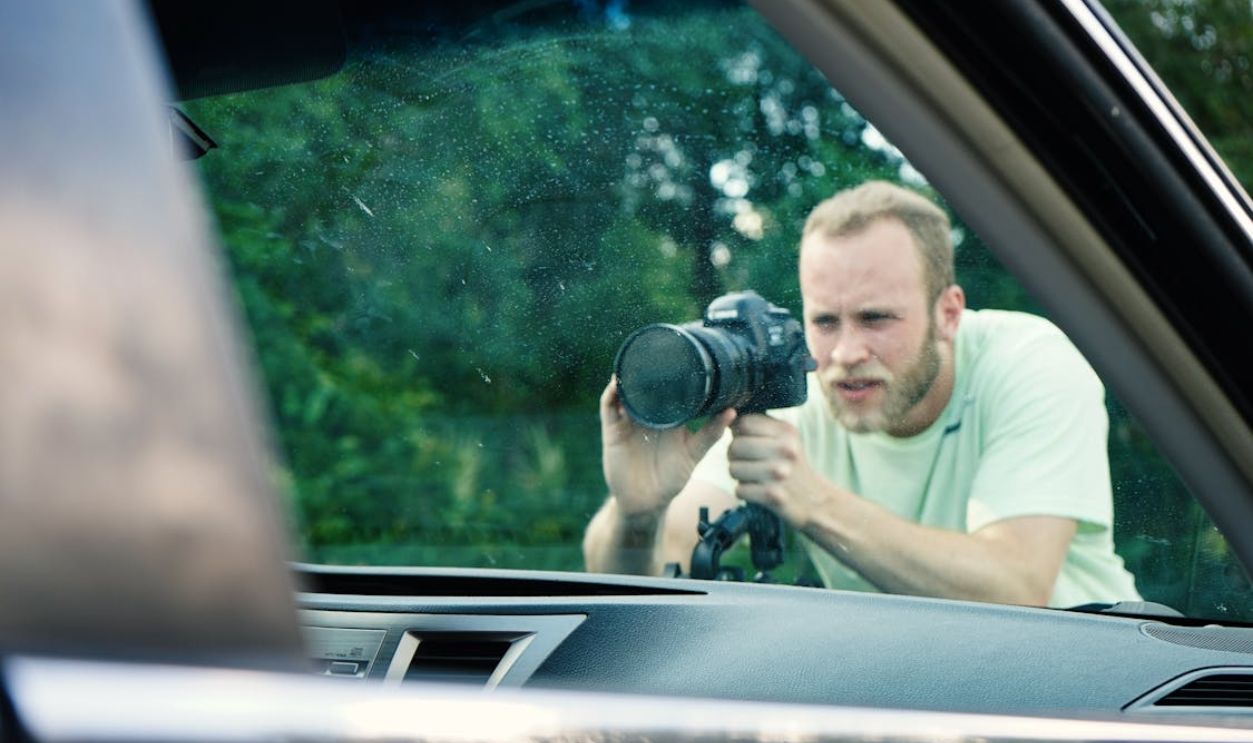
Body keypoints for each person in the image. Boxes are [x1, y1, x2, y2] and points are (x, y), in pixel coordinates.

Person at [583, 180, 1140, 607]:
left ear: (948, 314)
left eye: (875, 319)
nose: (846, 352)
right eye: (825, 322)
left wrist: (813, 501)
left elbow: (1017, 587)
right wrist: (639, 512)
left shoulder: (1028, 361)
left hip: (1096, 690)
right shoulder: (799, 397)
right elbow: (649, 570)